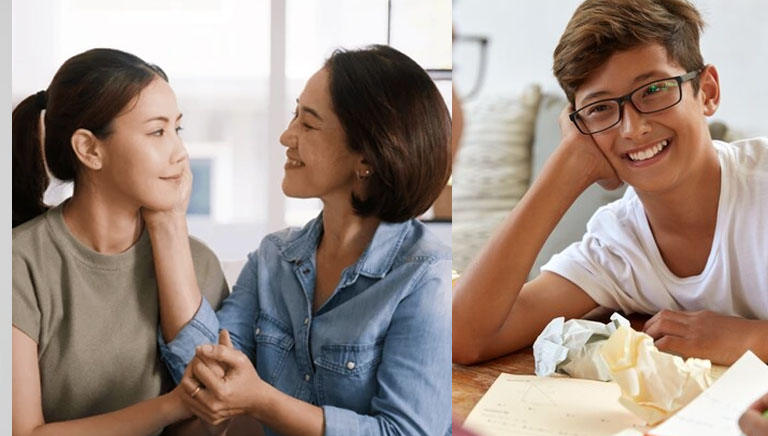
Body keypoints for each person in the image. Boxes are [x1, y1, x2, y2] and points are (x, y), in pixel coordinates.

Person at [152, 45, 452, 435]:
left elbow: (407, 431)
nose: (285, 136)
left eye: (308, 125)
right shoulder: (272, 258)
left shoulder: (426, 277)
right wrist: (169, 218)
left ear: (368, 157)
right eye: (295, 114)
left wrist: (262, 400)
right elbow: (205, 374)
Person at [452, 0, 768, 367]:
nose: (633, 128)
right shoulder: (618, 245)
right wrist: (567, 166)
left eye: (654, 90)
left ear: (708, 91)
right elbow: (465, 338)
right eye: (601, 108)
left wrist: (747, 338)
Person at [10, 48, 229, 436]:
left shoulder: (200, 266)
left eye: (177, 130)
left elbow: (216, 421)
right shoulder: (18, 262)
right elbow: (25, 433)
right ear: (90, 149)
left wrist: (170, 224)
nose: (180, 153)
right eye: (157, 132)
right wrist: (170, 407)